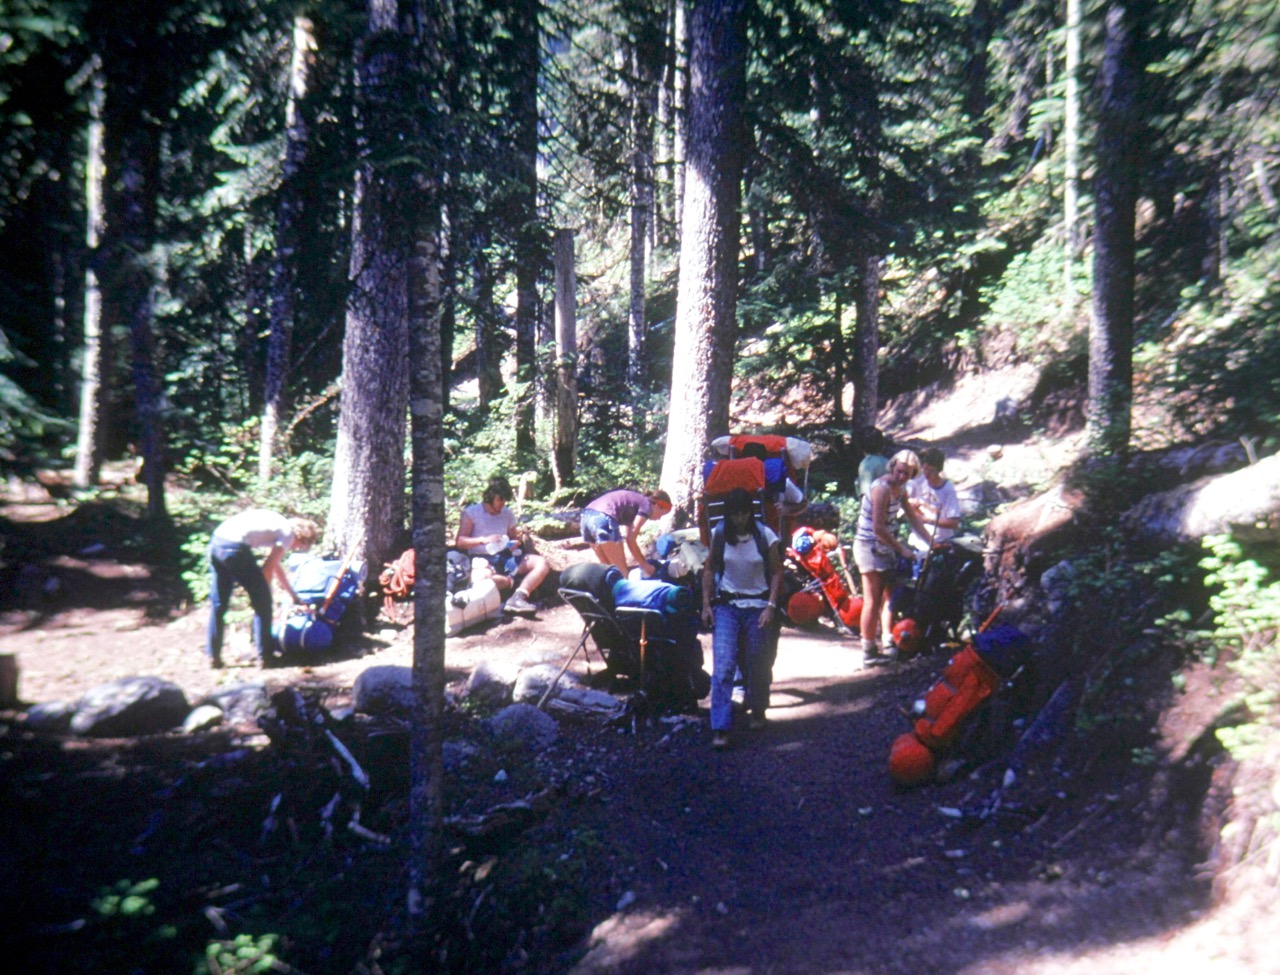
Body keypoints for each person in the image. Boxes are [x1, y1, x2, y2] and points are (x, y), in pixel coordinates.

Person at [701, 487, 785, 750]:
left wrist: (771, 606)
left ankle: (758, 709)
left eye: (744, 513)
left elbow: (777, 572)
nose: (740, 519)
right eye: (735, 514)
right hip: (727, 605)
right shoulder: (720, 534)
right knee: (724, 664)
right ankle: (720, 726)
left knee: (757, 662)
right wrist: (706, 604)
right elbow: (709, 568)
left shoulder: (765, 536)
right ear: (728, 514)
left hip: (758, 604)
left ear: (751, 512)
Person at [206, 510, 319, 668]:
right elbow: (267, 570)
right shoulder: (288, 534)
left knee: (219, 604)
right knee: (263, 606)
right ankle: (266, 658)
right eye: (299, 547)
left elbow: (275, 566)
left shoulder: (277, 527)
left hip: (216, 544)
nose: (295, 549)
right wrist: (266, 595)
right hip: (234, 548)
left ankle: (213, 656)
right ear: (301, 538)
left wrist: (293, 596)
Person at [852, 449, 929, 664]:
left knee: (890, 595)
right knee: (872, 599)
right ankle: (868, 650)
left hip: (885, 547)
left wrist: (932, 542)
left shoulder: (900, 489)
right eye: (899, 471)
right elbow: (878, 528)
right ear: (892, 467)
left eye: (907, 474)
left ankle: (888, 640)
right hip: (869, 546)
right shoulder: (881, 489)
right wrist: (902, 549)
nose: (902, 476)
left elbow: (913, 518)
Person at [455, 476, 550, 615]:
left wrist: (514, 544)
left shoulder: (507, 513)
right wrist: (483, 540)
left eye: (505, 500)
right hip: (483, 559)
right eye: (500, 499)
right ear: (489, 497)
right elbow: (460, 542)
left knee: (541, 563)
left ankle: (519, 596)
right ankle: (510, 583)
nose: (502, 503)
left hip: (506, 557)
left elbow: (513, 538)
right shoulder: (472, 513)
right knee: (481, 579)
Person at [580, 488, 673, 578]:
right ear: (656, 505)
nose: (659, 518)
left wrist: (643, 563)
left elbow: (629, 538)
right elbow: (631, 539)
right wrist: (645, 564)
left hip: (586, 516)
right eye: (661, 514)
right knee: (621, 574)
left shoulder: (635, 504)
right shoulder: (647, 505)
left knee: (608, 570)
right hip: (604, 517)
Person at [905, 447, 962, 557]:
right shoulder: (919, 481)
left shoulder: (948, 489)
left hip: (939, 543)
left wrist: (927, 520)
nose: (926, 474)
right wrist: (912, 505)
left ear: (939, 470)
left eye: (931, 471)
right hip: (917, 541)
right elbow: (904, 501)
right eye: (924, 469)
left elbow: (954, 523)